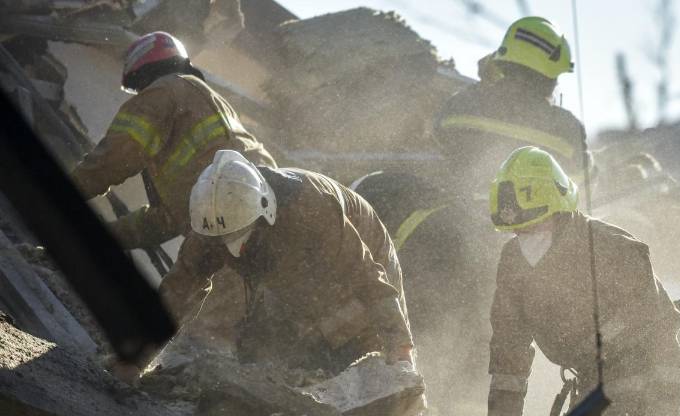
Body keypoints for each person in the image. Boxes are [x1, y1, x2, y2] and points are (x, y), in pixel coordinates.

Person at [486, 146, 680, 416]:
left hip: (641, 394)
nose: (526, 241)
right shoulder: (514, 260)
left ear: (558, 210)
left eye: (534, 228)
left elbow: (668, 347)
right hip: (589, 392)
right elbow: (509, 345)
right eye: (518, 232)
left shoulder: (614, 251)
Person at [177, 150, 413, 374]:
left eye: (240, 238)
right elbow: (179, 286)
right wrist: (140, 357)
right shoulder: (211, 225)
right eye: (222, 241)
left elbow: (367, 279)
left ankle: (399, 411)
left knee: (364, 350)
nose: (232, 251)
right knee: (267, 349)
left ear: (264, 213)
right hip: (293, 269)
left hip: (362, 249)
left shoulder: (310, 210)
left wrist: (399, 343)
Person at [71, 31, 275, 254]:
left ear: (142, 71)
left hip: (228, 230)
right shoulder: (212, 102)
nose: (140, 93)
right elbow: (168, 219)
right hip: (269, 212)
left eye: (139, 86)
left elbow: (111, 160)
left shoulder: (163, 91)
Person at [434, 16, 588, 194]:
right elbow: (585, 183)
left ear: (502, 63)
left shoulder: (463, 103)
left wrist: (488, 82)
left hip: (458, 215)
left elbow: (438, 134)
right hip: (532, 220)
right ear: (551, 79)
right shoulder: (566, 128)